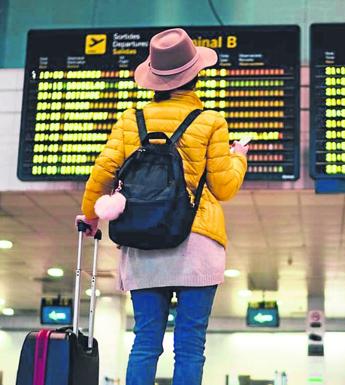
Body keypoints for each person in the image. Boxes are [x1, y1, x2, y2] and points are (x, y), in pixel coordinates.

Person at [76, 28, 248, 385]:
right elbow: (224, 186)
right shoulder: (210, 122)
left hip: (143, 240)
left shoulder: (130, 119)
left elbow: (102, 174)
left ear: (154, 78)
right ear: (196, 74)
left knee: (145, 341)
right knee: (189, 345)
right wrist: (239, 158)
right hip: (196, 241)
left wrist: (92, 216)